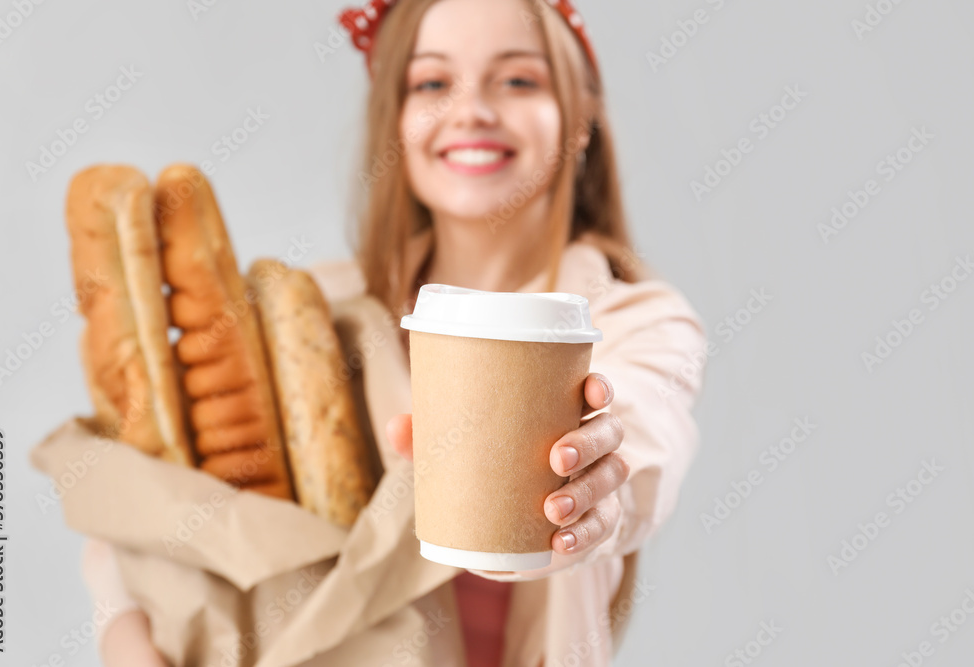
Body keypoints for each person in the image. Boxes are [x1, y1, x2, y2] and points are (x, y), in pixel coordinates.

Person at [83, 0, 707, 665]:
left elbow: (643, 437)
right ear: (397, 122)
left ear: (582, 119)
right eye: (433, 83)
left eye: (519, 80)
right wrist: (126, 636)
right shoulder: (306, 311)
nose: (471, 110)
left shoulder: (636, 320)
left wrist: (590, 492)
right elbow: (143, 495)